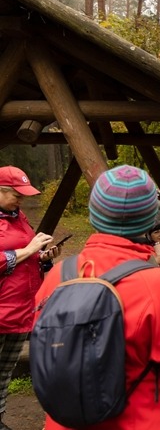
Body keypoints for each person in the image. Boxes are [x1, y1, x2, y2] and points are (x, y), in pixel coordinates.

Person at [33, 165, 160, 430]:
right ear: (149, 220)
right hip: (141, 421)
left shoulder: (58, 276)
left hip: (65, 422)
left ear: (93, 215)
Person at [0, 167, 60, 430]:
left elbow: (24, 255)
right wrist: (28, 249)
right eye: (16, 194)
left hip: (21, 309)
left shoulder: (19, 217)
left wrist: (41, 256)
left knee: (4, 372)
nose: (21, 200)